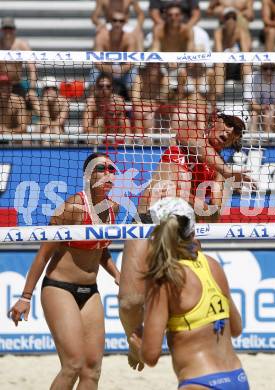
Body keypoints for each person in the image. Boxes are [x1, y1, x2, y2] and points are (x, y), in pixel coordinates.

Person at [118, 112, 254, 371]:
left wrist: (215, 194)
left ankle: (208, 360)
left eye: (237, 131)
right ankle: (132, 341)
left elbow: (211, 219)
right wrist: (218, 177)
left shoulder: (217, 173)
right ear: (214, 120)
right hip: (147, 221)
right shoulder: (189, 134)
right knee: (129, 301)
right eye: (229, 123)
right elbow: (196, 146)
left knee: (195, 303)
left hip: (182, 234)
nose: (230, 132)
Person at [8, 152, 121, 390]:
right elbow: (43, 254)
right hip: (60, 288)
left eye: (112, 170)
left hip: (90, 290)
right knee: (73, 364)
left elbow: (100, 250)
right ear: (89, 175)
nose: (108, 174)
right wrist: (25, 297)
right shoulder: (71, 207)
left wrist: (116, 274)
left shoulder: (114, 208)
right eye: (102, 169)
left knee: (92, 369)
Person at [129, 197, 250, 389]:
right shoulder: (212, 265)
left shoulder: (165, 277)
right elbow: (236, 328)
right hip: (237, 378)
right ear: (192, 230)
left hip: (200, 381)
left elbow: (151, 356)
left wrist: (138, 348)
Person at [91, 11, 137, 99]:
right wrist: (111, 70)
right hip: (105, 68)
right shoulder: (101, 36)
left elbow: (131, 62)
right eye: (115, 20)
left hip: (123, 70)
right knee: (94, 73)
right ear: (110, 21)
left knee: (133, 73)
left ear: (125, 22)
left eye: (121, 21)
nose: (117, 23)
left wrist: (120, 70)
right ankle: (91, 103)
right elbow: (97, 62)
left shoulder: (130, 38)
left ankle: (134, 106)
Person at [83, 73, 131, 142]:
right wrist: (101, 130)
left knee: (126, 122)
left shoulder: (118, 100)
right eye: (101, 86)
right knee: (99, 121)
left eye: (108, 86)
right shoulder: (91, 102)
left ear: (112, 88)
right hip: (96, 133)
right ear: (96, 87)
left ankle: (128, 148)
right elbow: (86, 127)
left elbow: (121, 121)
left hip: (114, 130)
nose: (104, 89)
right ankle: (97, 150)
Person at [0, 17, 37, 94]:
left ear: (14, 29)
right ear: (2, 30)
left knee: (34, 102)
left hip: (16, 85)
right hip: (1, 85)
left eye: (10, 28)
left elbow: (32, 68)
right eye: (5, 28)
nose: (8, 31)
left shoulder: (22, 45)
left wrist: (32, 89)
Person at [39, 77, 69, 145]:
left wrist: (48, 123)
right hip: (44, 130)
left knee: (56, 129)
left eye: (53, 88)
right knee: (47, 130)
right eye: (47, 88)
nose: (50, 90)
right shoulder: (40, 103)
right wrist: (45, 104)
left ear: (57, 91)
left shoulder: (64, 102)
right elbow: (46, 121)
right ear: (43, 91)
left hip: (59, 130)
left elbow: (59, 123)